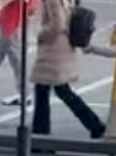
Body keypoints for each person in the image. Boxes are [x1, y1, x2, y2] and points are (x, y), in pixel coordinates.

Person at [30, 0, 104, 138]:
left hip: (52, 50)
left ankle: (40, 133)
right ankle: (94, 125)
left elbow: (56, 25)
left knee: (44, 91)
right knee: (62, 91)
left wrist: (41, 35)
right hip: (64, 48)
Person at [0, 0, 38, 105]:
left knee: (14, 58)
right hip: (11, 18)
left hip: (11, 20)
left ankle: (25, 93)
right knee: (0, 54)